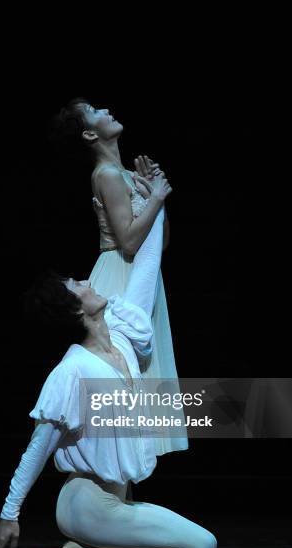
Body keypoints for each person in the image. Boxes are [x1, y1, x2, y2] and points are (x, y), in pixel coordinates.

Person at [0, 192, 217, 548]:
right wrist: (9, 514)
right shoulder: (71, 372)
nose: (85, 281)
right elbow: (38, 448)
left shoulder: (124, 339)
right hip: (87, 504)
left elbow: (148, 262)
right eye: (76, 285)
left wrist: (156, 201)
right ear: (75, 308)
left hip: (116, 500)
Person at [48, 98, 187, 457]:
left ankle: (123, 481)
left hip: (142, 272)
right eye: (96, 111)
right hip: (120, 275)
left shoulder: (123, 172)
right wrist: (154, 198)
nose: (106, 110)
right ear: (90, 133)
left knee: (136, 376)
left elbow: (159, 240)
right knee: (124, 374)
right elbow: (127, 240)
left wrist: (155, 196)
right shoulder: (107, 175)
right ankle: (110, 487)